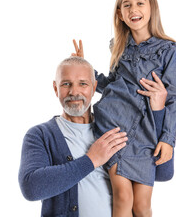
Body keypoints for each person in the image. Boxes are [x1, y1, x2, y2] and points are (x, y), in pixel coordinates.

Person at [71, 0, 176, 217]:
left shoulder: (170, 51)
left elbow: (174, 99)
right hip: (114, 126)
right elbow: (112, 84)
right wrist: (85, 69)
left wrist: (168, 139)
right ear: (120, 15)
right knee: (123, 197)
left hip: (145, 133)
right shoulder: (120, 47)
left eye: (140, 3)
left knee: (142, 206)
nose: (134, 9)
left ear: (152, 8)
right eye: (127, 5)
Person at [19, 56, 167, 217]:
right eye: (66, 84)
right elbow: (31, 188)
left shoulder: (114, 128)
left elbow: (163, 172)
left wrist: (158, 112)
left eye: (83, 83)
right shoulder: (41, 135)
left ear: (94, 86)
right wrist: (91, 160)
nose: (74, 92)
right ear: (55, 88)